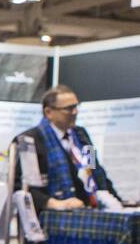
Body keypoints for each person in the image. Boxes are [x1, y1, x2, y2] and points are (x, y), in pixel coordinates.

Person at [14, 84, 125, 214]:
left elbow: (96, 171)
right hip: (52, 220)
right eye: (69, 108)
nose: (75, 112)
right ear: (49, 112)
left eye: (76, 106)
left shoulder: (82, 135)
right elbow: (22, 188)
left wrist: (118, 202)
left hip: (90, 212)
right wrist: (56, 204)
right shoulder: (30, 140)